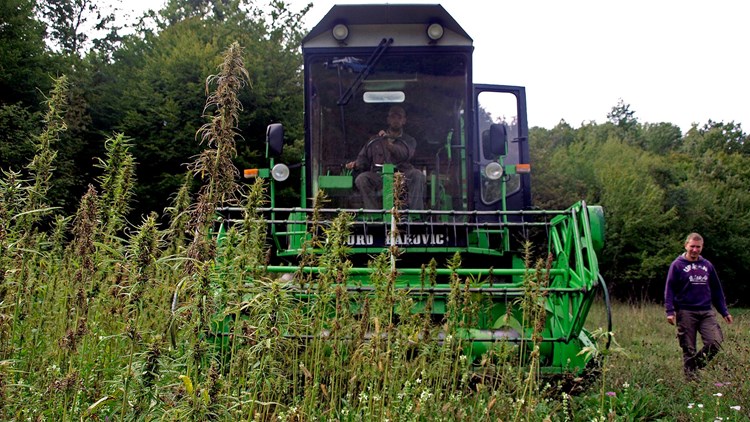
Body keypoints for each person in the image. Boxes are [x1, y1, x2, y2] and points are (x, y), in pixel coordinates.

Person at [664, 233, 733, 380]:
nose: (695, 250)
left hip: (706, 310)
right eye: (692, 246)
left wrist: (724, 311)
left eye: (698, 247)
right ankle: (692, 382)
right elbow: (669, 288)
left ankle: (692, 366)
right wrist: (670, 311)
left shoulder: (707, 265)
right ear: (686, 246)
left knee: (715, 342)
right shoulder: (677, 265)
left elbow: (716, 290)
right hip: (685, 311)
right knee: (688, 348)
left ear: (702, 247)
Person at [345, 105, 425, 210]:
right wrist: (355, 164)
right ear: (388, 120)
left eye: (399, 117)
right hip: (379, 176)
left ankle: (416, 214)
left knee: (417, 174)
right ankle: (373, 214)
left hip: (402, 175)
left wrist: (388, 143)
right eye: (393, 117)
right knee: (362, 178)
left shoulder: (409, 140)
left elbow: (405, 153)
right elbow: (363, 158)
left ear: (404, 120)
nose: (396, 120)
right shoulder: (375, 140)